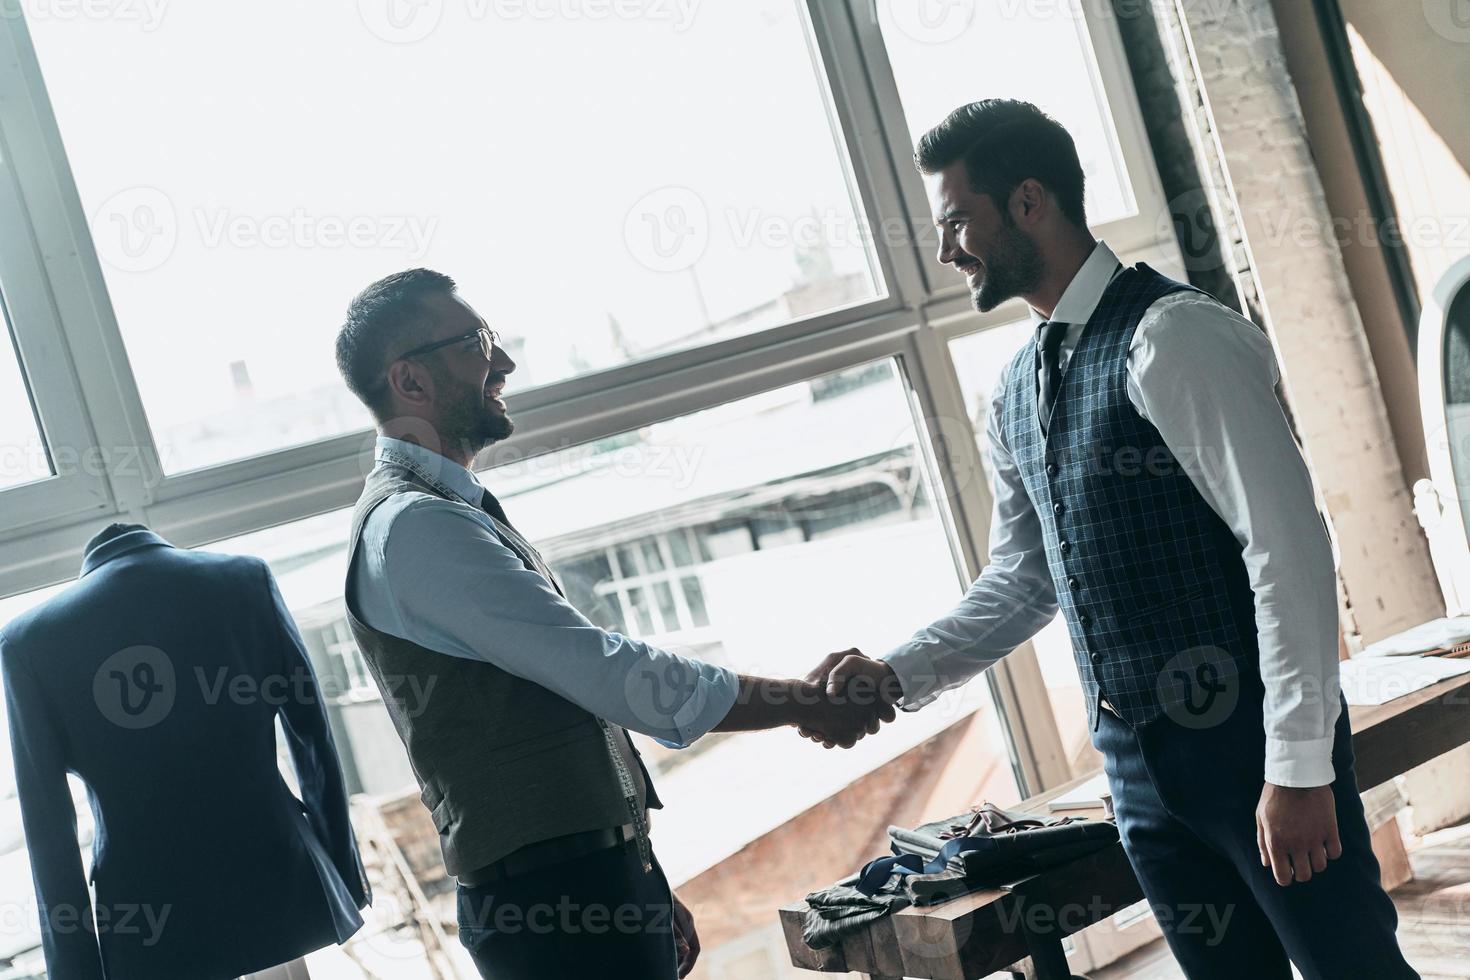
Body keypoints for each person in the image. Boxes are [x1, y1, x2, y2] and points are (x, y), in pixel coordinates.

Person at [802, 100, 1418, 979]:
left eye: (955, 223)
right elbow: (1021, 579)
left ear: (1027, 203)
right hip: (1136, 776)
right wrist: (896, 675)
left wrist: (1299, 766)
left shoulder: (1176, 337)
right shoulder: (1015, 389)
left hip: (1252, 750)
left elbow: (1288, 550)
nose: (946, 252)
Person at [332, 270, 890, 979]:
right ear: (409, 381)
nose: (502, 362)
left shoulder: (447, 512)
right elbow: (612, 675)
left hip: (586, 890)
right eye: (477, 344)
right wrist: (802, 701)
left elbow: (571, 715)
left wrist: (641, 874)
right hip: (554, 910)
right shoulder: (415, 528)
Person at [1, 523, 369, 980]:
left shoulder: (29, 642)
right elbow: (313, 736)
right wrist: (343, 875)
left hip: (152, 914)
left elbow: (48, 827)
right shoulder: (244, 581)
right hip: (275, 879)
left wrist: (75, 967)